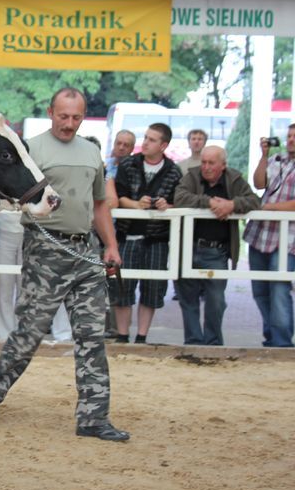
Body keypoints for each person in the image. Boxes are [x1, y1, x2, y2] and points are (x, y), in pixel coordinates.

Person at [0, 87, 129, 441]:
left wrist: (111, 245)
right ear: (50, 112)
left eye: (76, 117)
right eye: (63, 116)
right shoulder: (30, 148)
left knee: (92, 336)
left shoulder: (91, 150)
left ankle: (93, 418)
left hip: (85, 252)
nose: (69, 124)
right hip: (45, 251)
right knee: (29, 335)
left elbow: (100, 204)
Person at [174, 146, 260, 345]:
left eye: (211, 163)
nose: (206, 167)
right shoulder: (191, 176)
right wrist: (210, 202)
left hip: (216, 251)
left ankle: (213, 343)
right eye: (203, 162)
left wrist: (232, 205)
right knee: (188, 300)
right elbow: (179, 198)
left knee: (216, 301)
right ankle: (194, 343)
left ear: (223, 165)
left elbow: (254, 200)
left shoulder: (235, 179)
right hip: (187, 247)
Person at [113, 123, 182, 344]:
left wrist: (166, 205)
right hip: (127, 234)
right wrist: (136, 204)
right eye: (145, 137)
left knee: (153, 290)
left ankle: (142, 337)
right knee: (122, 287)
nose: (145, 142)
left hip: (157, 239)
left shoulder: (174, 171)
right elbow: (119, 196)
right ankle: (122, 335)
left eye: (152, 140)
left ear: (163, 145)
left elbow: (178, 202)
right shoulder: (128, 165)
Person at [243, 125, 295, 348]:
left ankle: (282, 342)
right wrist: (263, 156)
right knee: (260, 289)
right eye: (289, 135)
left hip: (288, 237)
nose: (291, 140)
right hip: (260, 234)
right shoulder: (276, 160)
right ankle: (271, 335)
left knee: (279, 288)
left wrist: (273, 208)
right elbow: (259, 183)